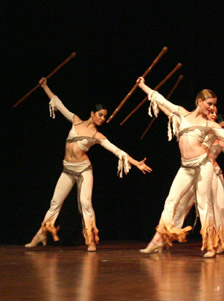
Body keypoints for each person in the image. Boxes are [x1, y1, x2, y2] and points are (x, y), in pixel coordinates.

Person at [136, 77, 224, 257]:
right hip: (185, 167)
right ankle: (158, 240)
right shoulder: (182, 114)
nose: (211, 108)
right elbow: (161, 100)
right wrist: (143, 85)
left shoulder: (210, 124)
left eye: (214, 105)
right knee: (170, 200)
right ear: (199, 102)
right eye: (209, 104)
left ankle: (211, 246)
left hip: (203, 166)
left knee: (204, 205)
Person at [25, 77, 153, 252]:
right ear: (92, 113)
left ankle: (91, 240)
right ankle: (40, 235)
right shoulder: (76, 120)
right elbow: (59, 104)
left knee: (85, 203)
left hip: (84, 170)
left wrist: (135, 163)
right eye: (100, 115)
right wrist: (45, 86)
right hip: (67, 169)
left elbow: (117, 151)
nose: (102, 119)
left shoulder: (97, 136)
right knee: (55, 203)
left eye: (104, 117)